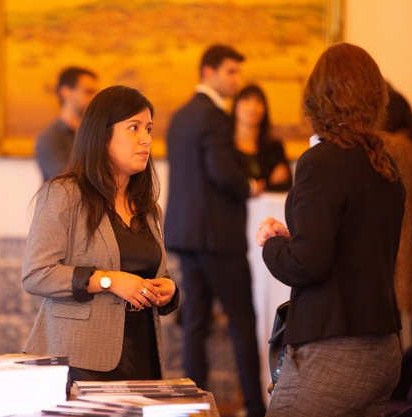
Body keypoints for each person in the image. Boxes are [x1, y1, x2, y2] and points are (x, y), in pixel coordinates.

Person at [256, 43, 404, 416]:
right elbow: (353, 247)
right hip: (383, 348)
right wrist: (294, 237)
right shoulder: (383, 164)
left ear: (317, 97)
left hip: (336, 350)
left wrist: (272, 245)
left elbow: (306, 265)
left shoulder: (320, 162)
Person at [22, 85, 179, 382]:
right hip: (80, 360)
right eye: (133, 128)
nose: (146, 139)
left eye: (148, 129)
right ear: (102, 135)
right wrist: (108, 280)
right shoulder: (64, 194)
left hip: (142, 358)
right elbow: (36, 274)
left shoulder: (148, 208)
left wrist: (167, 290)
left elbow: (156, 273)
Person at [165, 45, 266, 417]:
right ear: (208, 73)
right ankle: (255, 408)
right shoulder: (216, 117)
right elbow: (222, 173)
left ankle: (194, 406)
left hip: (185, 234)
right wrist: (249, 186)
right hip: (218, 237)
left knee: (196, 322)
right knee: (243, 322)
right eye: (230, 72)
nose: (236, 80)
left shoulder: (180, 117)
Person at [381, 85, 412, 346]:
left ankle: (397, 369)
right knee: (401, 313)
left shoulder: (393, 144)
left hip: (397, 229)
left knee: (392, 312)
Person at [35, 66, 98, 182]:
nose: (94, 98)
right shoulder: (50, 138)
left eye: (96, 93)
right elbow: (67, 180)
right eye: (88, 92)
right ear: (66, 93)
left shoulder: (95, 134)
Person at [233, 84, 293, 192]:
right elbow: (229, 185)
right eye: (246, 100)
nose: (252, 107)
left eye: (258, 102)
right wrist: (269, 182)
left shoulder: (274, 147)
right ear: (235, 106)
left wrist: (262, 186)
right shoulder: (226, 147)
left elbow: (286, 183)